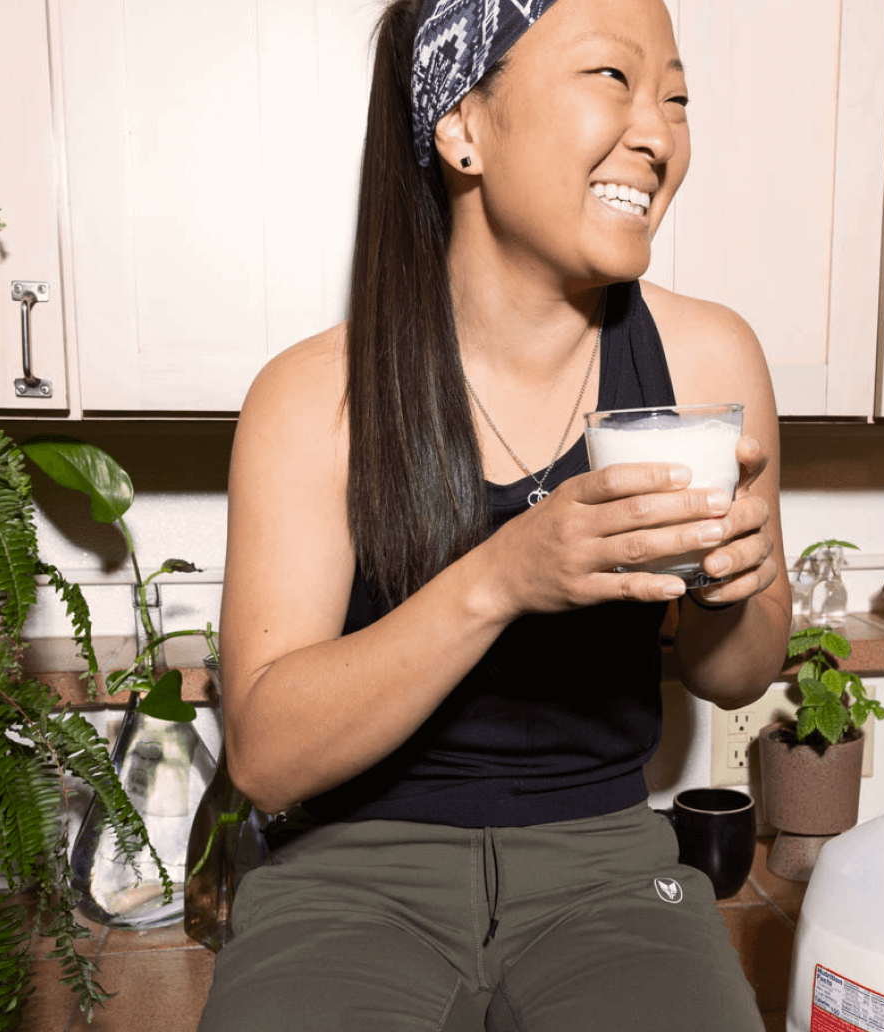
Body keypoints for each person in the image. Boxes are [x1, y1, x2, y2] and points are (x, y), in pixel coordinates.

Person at [199, 0, 788, 1027]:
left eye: (676, 96)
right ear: (461, 126)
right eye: (612, 77)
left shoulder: (706, 361)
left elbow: (730, 676)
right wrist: (503, 575)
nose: (656, 134)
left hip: (607, 863)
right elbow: (263, 756)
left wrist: (741, 583)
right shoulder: (312, 396)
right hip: (349, 871)